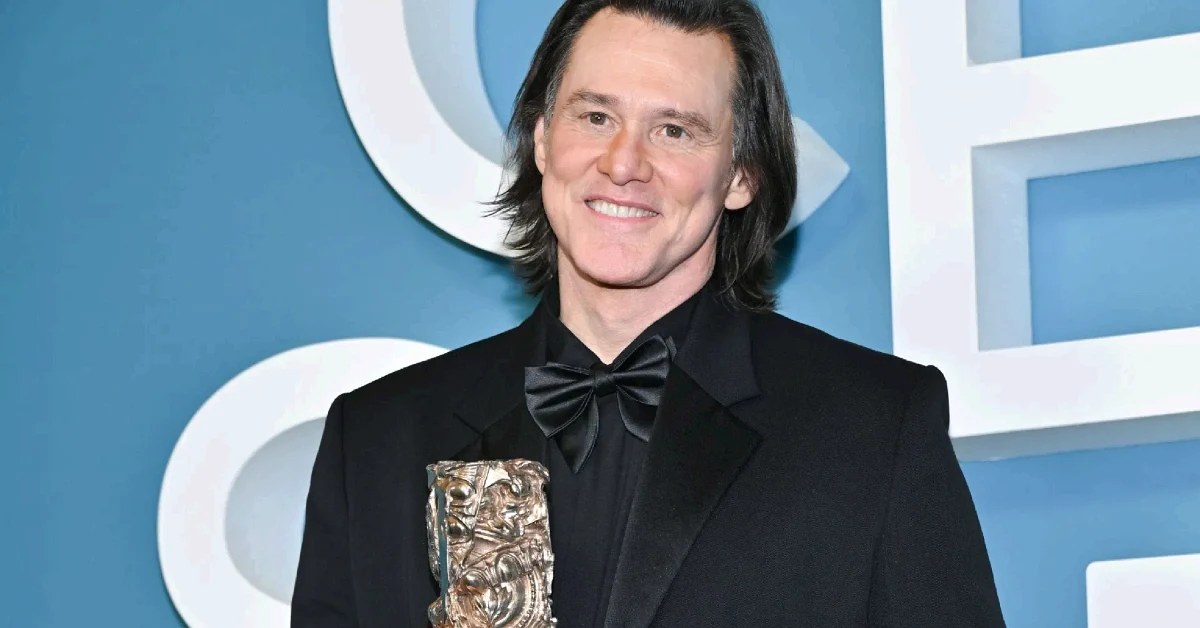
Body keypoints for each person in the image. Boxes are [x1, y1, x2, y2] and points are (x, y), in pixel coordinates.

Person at [292, 0, 1007, 626]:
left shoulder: (871, 429)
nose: (623, 162)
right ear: (541, 139)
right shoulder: (379, 440)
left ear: (741, 174)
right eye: (595, 116)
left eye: (675, 131)